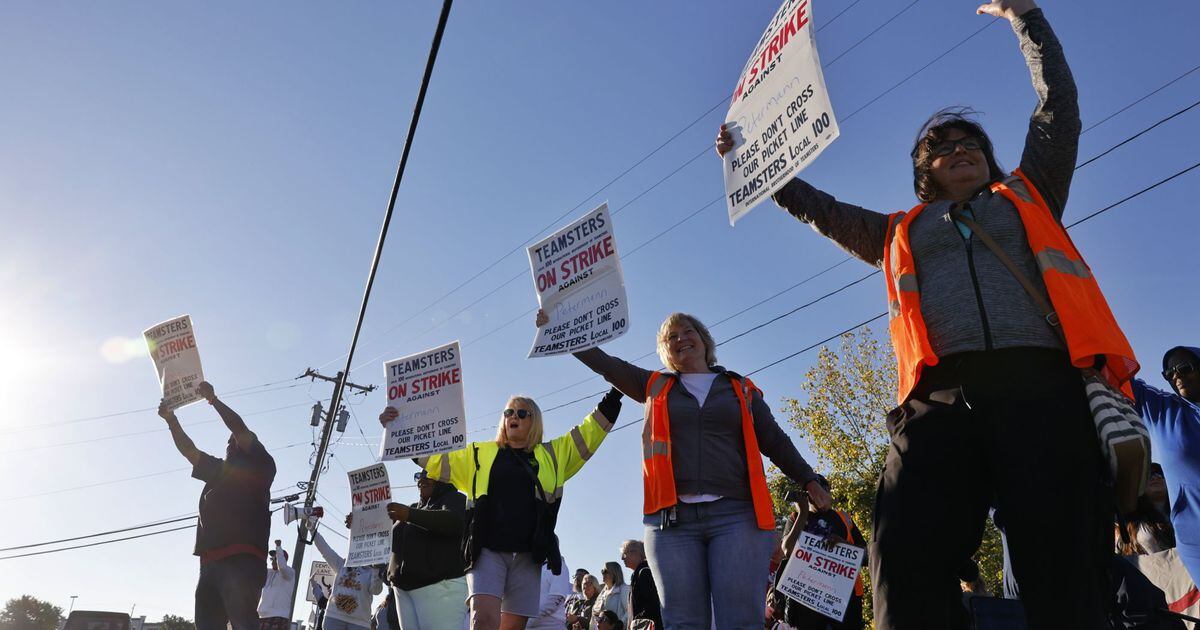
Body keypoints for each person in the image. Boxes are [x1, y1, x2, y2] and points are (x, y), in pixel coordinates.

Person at [717, 2, 1139, 628]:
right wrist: (755, 166)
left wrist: (1027, 18)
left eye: (971, 144)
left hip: (1041, 389)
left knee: (1064, 563)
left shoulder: (1030, 193)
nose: (959, 151)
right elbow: (822, 209)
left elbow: (1059, 107)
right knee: (904, 550)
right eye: (941, 149)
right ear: (924, 172)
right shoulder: (895, 231)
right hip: (939, 401)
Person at [534, 310, 831, 629]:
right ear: (665, 351)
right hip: (671, 524)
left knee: (741, 621)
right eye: (670, 337)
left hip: (737, 518)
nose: (680, 339)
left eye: (688, 331)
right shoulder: (652, 385)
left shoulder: (739, 389)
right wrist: (560, 329)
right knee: (683, 622)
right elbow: (606, 365)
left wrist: (808, 479)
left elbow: (774, 439)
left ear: (704, 340)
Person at [382, 389, 624, 630]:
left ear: (534, 421)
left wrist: (614, 395)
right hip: (487, 550)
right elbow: (436, 460)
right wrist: (397, 430)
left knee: (512, 627)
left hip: (529, 555)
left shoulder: (553, 455)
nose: (513, 417)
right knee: (483, 620)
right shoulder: (479, 454)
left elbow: (586, 435)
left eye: (521, 412)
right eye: (509, 412)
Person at [159, 381, 277, 630]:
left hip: (242, 561)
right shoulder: (218, 471)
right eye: (229, 442)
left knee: (244, 624)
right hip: (210, 564)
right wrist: (171, 420)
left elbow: (238, 427)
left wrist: (213, 400)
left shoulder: (262, 466)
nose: (230, 443)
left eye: (235, 441)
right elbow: (189, 450)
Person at [1132, 346, 1200, 582]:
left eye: (1184, 368)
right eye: (1169, 373)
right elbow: (1121, 378)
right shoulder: (1163, 410)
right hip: (1195, 540)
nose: (1176, 376)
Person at [385, 470, 468, 629]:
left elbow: (453, 522)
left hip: (440, 587)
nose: (422, 480)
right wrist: (361, 523)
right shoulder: (413, 508)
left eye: (428, 475)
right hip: (404, 590)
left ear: (443, 478)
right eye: (419, 476)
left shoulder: (455, 499)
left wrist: (410, 515)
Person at [309, 517, 385, 630]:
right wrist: (312, 529)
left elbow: (376, 591)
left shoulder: (371, 570)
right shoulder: (341, 564)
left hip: (360, 623)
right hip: (334, 618)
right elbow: (324, 549)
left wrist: (376, 570)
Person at [1116, 464, 1176, 556]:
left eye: (1160, 474)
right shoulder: (1131, 522)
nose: (1155, 477)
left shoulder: (1184, 511)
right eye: (1148, 476)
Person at [619, 541, 661, 630]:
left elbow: (652, 605)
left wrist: (637, 621)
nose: (622, 558)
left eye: (624, 554)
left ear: (636, 553)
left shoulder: (644, 573)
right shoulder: (638, 574)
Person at [257, 540, 295, 630]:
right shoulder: (268, 572)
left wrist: (278, 547)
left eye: (275, 558)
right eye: (272, 558)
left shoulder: (289, 572)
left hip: (278, 615)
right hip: (262, 615)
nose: (272, 560)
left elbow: (282, 566)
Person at [526, 557, 573, 630]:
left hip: (551, 624)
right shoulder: (533, 568)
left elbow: (556, 598)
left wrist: (531, 619)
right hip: (528, 623)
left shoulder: (558, 566)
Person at [591, 562, 630, 630]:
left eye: (605, 571)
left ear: (614, 573)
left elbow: (629, 611)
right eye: (602, 571)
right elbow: (594, 615)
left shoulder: (624, 589)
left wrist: (620, 625)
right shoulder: (602, 593)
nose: (603, 573)